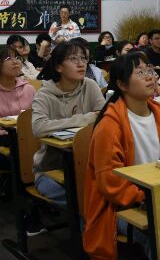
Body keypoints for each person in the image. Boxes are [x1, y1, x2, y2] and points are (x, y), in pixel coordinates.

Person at [83, 52, 160, 260]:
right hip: (121, 206)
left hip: (159, 194)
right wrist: (147, 197)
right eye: (139, 73)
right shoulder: (109, 125)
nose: (149, 76)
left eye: (149, 70)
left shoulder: (159, 113)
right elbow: (111, 183)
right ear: (122, 84)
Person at [31, 42, 106, 205]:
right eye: (73, 59)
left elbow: (104, 117)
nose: (81, 64)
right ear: (59, 66)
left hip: (87, 165)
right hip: (50, 169)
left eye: (83, 58)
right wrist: (86, 118)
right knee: (79, 200)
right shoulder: (44, 94)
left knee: (101, 195)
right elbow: (38, 128)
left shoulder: (90, 85)